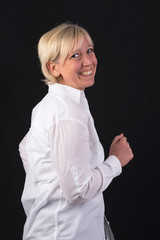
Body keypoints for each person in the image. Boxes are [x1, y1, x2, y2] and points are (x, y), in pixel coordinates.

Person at [19, 22, 133, 240]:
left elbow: (26, 148)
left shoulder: (54, 104)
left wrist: (49, 181)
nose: (89, 61)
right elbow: (79, 191)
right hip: (64, 234)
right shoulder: (67, 114)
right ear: (54, 68)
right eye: (75, 56)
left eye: (89, 50)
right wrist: (116, 160)